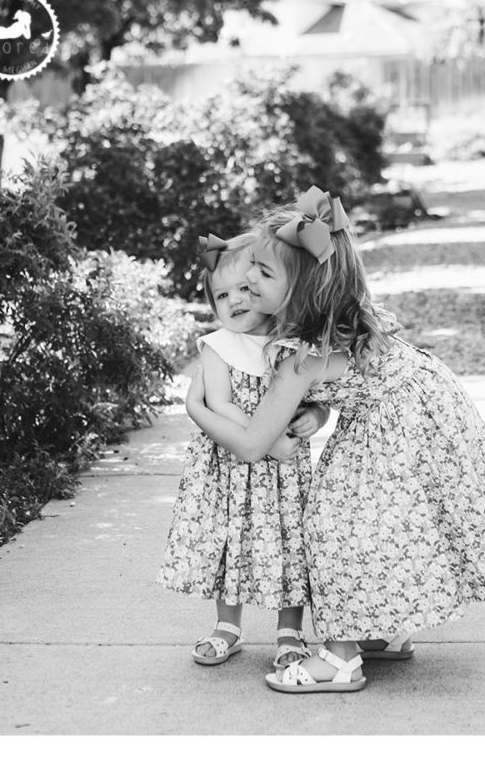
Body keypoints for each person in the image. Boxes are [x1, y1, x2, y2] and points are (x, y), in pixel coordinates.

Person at [185, 186, 485, 693]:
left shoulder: (299, 356)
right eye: (250, 267)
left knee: (335, 522)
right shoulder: (337, 308)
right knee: (385, 523)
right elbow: (273, 255)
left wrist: (198, 408)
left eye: (262, 275)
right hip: (424, 404)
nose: (248, 280)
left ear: (298, 293)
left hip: (396, 423)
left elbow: (253, 445)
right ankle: (380, 631)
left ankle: (340, 657)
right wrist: (261, 249)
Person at [157, 232, 330, 670]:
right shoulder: (218, 346)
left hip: (286, 472)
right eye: (221, 295)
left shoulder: (292, 339)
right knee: (229, 539)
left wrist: (317, 417)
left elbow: (316, 394)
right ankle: (227, 626)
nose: (234, 300)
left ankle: (289, 630)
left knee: (290, 541)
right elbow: (221, 403)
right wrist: (270, 440)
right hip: (231, 464)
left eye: (245, 290)